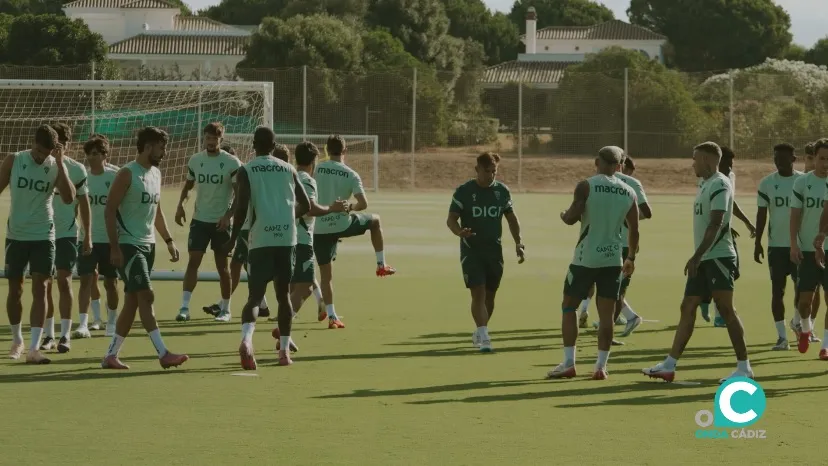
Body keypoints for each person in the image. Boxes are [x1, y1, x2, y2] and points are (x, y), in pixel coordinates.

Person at [227, 127, 345, 369]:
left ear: (253, 145)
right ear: (274, 145)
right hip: (286, 238)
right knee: (283, 297)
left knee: (255, 297)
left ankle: (247, 341)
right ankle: (283, 353)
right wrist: (288, 217)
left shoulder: (246, 170)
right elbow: (305, 204)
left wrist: (232, 239)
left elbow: (240, 208)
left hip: (259, 239)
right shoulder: (289, 169)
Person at [643, 141, 752, 383]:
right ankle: (669, 365)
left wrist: (697, 255)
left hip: (719, 257)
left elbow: (716, 224)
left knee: (726, 310)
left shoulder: (720, 184)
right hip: (705, 258)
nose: (692, 163)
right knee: (688, 306)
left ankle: (744, 368)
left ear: (706, 160)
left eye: (695, 158)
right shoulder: (704, 183)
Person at [548, 146, 638, 380]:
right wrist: (630, 258)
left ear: (596, 161)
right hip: (613, 259)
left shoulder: (586, 185)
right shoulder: (629, 192)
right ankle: (600, 367)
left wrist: (562, 215)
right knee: (607, 316)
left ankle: (569, 363)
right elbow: (634, 231)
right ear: (619, 166)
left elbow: (571, 218)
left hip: (585, 258)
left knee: (569, 307)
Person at [101, 126, 187, 370]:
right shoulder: (127, 174)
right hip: (129, 247)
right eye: (161, 147)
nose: (165, 152)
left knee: (131, 302)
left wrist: (169, 241)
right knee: (146, 296)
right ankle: (163, 353)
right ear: (148, 146)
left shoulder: (156, 174)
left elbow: (156, 211)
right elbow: (108, 210)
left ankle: (111, 355)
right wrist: (114, 248)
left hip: (148, 246)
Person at [3, 125, 77, 363]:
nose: (39, 156)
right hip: (16, 235)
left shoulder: (55, 166)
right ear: (31, 143)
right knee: (15, 290)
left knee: (42, 287)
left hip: (44, 236)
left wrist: (61, 163)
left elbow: (68, 197)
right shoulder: (15, 160)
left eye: (44, 153)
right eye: (37, 150)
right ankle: (17, 340)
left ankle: (34, 348)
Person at [313, 135, 396, 329]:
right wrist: (349, 207)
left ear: (326, 149)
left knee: (326, 277)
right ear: (345, 151)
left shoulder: (316, 169)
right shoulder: (351, 174)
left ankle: (332, 317)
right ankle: (381, 264)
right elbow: (363, 204)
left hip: (319, 228)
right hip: (343, 225)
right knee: (375, 220)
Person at [446, 152, 525, 353]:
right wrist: (459, 232)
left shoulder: (502, 191)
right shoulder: (464, 191)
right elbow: (451, 219)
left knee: (490, 296)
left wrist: (519, 243)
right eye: (487, 171)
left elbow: (512, 219)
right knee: (478, 294)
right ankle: (484, 337)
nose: (491, 176)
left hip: (494, 252)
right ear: (477, 170)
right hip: (472, 251)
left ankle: (480, 331)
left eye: (494, 172)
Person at [174, 123, 242, 323]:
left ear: (221, 139)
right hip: (199, 221)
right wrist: (181, 205)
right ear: (203, 138)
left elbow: (240, 195)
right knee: (193, 262)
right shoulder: (196, 160)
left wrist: (228, 216)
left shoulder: (232, 162)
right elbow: (188, 186)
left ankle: (226, 309)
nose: (211, 142)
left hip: (220, 223)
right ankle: (184, 308)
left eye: (215, 139)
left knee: (223, 268)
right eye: (208, 138)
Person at [39, 123, 91, 354]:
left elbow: (84, 204)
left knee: (64, 280)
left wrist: (87, 234)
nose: (57, 147)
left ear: (67, 144)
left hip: (68, 233)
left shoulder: (77, 169)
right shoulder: (40, 166)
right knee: (45, 284)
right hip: (42, 232)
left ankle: (65, 334)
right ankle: (48, 335)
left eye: (61, 143)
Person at [753, 143, 802, 351]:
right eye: (775, 159)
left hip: (800, 246)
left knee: (803, 289)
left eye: (783, 159)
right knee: (777, 291)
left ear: (793, 159)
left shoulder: (803, 182)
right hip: (777, 247)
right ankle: (782, 337)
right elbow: (762, 214)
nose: (778, 162)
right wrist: (757, 242)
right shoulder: (766, 183)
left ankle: (798, 321)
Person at [702, 146, 756, 327]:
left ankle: (706, 298)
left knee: (731, 272)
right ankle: (719, 314)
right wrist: (722, 226)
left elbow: (730, 202)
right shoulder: (708, 179)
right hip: (714, 233)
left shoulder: (729, 177)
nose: (730, 167)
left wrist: (746, 222)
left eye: (732, 164)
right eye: (727, 163)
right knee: (723, 271)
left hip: (725, 230)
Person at [287, 142, 338, 329]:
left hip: (287, 238)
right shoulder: (307, 180)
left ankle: (286, 336)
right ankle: (283, 325)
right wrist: (333, 208)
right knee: (305, 288)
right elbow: (309, 209)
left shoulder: (289, 176)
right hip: (301, 240)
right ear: (314, 161)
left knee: (293, 285)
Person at [74, 135, 120, 339]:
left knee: (111, 282)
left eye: (94, 154)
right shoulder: (83, 177)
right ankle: (86, 323)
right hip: (87, 238)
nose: (90, 158)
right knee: (86, 280)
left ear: (104, 155)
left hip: (111, 240)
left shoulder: (117, 176)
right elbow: (75, 207)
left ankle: (111, 322)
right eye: (88, 155)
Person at [790, 138, 828, 355]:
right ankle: (805, 329)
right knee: (805, 302)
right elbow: (795, 215)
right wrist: (793, 244)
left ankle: (825, 346)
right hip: (806, 249)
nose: (826, 164)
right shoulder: (802, 183)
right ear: (814, 159)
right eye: (822, 159)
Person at [794, 142, 821, 339]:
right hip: (802, 245)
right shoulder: (801, 182)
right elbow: (794, 216)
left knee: (815, 290)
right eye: (810, 158)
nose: (813, 162)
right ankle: (800, 322)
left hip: (821, 246)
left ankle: (807, 328)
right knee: (803, 290)